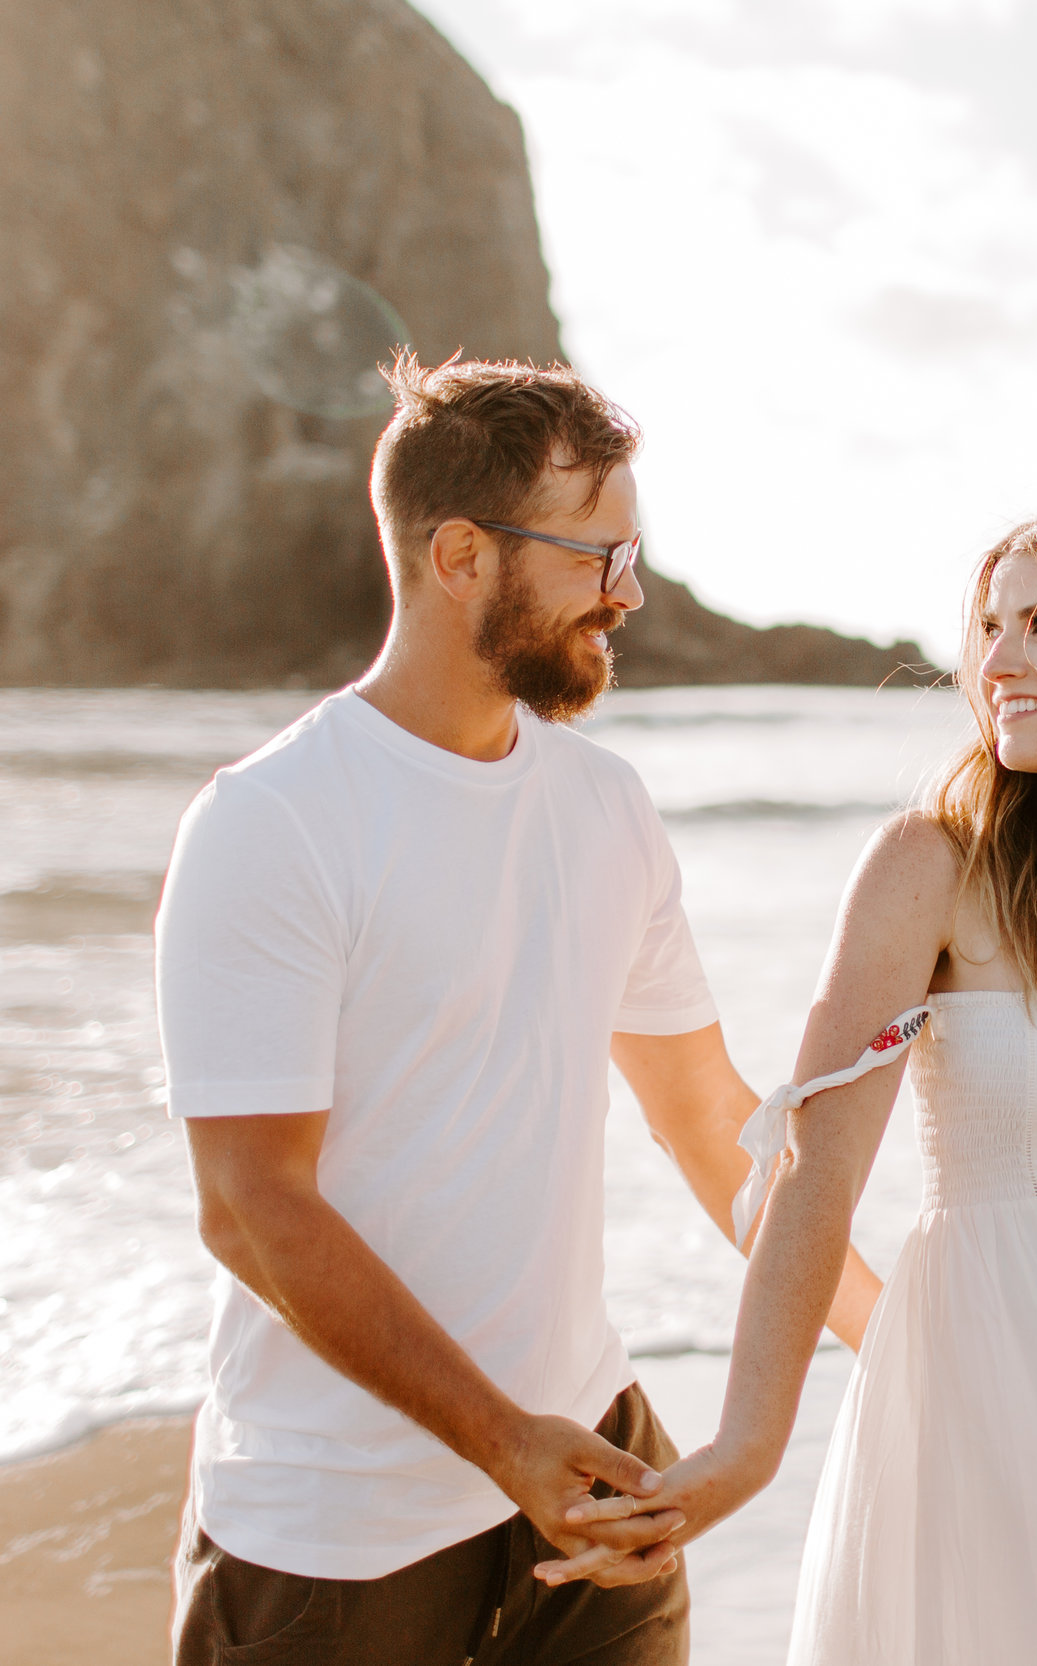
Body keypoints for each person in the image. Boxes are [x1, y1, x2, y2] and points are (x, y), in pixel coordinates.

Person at [155, 350, 879, 1665]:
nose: (630, 592)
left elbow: (712, 1123)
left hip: (596, 1486)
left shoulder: (605, 810)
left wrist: (896, 1335)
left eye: (633, 553)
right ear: (459, 558)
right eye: (595, 555)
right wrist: (500, 1439)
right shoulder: (272, 823)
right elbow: (252, 1205)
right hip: (334, 1541)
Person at [550, 504, 1037, 1662]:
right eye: (989, 625)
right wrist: (742, 1449)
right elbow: (815, 1168)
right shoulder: (931, 865)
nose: (996, 660)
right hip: (996, 1363)